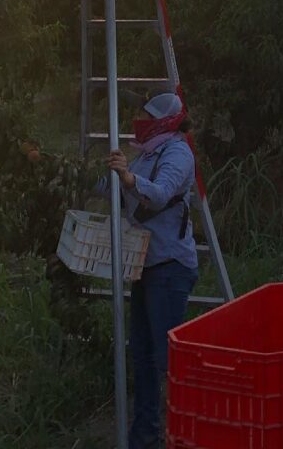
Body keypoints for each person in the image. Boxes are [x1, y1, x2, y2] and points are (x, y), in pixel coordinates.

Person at [107, 92, 200, 449]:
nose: (140, 121)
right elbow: (122, 189)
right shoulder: (147, 153)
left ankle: (185, 432)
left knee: (167, 359)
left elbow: (159, 194)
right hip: (144, 265)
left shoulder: (177, 152)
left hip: (169, 268)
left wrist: (129, 179)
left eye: (147, 116)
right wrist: (92, 177)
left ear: (166, 122)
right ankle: (144, 438)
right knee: (143, 357)